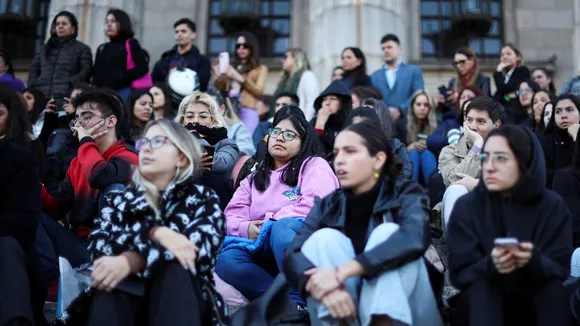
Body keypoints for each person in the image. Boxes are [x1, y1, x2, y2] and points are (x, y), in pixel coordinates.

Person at [283, 120, 442, 326]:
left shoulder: (406, 192)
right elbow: (292, 254)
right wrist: (325, 288)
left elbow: (414, 237)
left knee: (386, 234)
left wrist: (343, 272)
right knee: (324, 239)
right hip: (346, 308)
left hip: (409, 310)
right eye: (337, 152)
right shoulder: (329, 204)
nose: (339, 160)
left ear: (378, 159)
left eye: (350, 151)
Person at [87, 119, 227, 325]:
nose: (146, 149)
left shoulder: (203, 199)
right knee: (113, 277)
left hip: (182, 302)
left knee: (177, 271)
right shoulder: (121, 199)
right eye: (144, 143)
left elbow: (195, 254)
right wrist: (155, 233)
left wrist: (133, 260)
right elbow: (99, 246)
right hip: (125, 300)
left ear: (181, 157)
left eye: (158, 141)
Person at [448, 125, 574, 326]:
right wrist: (491, 265)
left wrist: (533, 260)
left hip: (535, 297)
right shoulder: (468, 206)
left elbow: (560, 268)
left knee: (550, 289)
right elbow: (460, 274)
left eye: (501, 158)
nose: (489, 166)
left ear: (524, 162)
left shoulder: (551, 205)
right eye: (485, 157)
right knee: (484, 287)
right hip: (483, 300)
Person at [216, 112, 339, 307]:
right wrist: (246, 228)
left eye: (290, 134)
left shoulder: (314, 165)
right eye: (276, 131)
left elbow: (315, 207)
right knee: (227, 259)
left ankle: (299, 296)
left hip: (302, 243)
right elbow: (230, 216)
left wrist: (269, 223)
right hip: (261, 246)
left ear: (303, 143)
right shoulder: (253, 177)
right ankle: (284, 304)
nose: (280, 137)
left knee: (282, 228)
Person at [37, 90, 139, 281]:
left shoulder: (129, 157)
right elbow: (54, 209)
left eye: (87, 116)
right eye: (76, 119)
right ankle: (50, 287)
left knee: (113, 189)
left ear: (110, 121)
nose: (79, 124)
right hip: (79, 245)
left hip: (112, 252)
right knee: (30, 214)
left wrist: (85, 140)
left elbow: (99, 175)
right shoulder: (78, 163)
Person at [438, 97, 503, 234]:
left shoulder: (507, 152)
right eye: (469, 120)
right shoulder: (449, 151)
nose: (473, 127)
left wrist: (479, 184)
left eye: (481, 121)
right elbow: (454, 182)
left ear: (496, 124)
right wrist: (477, 146)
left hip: (496, 218)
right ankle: (461, 249)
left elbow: (514, 187)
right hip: (461, 219)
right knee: (456, 190)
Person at [27, 10, 92, 100]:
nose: (60, 26)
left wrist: (70, 83)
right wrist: (33, 84)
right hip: (41, 97)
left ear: (73, 28)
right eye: (57, 24)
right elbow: (34, 69)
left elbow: (86, 70)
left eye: (64, 24)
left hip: (66, 98)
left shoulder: (82, 48)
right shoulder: (44, 48)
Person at [213, 31, 268, 135]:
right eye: (238, 46)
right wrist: (220, 75)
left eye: (245, 46)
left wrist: (239, 78)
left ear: (252, 47)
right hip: (230, 109)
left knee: (247, 144)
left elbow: (258, 91)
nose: (241, 49)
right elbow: (219, 87)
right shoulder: (231, 66)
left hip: (248, 110)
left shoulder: (260, 68)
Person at [152, 18, 211, 107]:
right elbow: (156, 81)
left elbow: (203, 85)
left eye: (183, 31)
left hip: (190, 105)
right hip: (166, 106)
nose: (179, 34)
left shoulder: (202, 60)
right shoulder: (165, 59)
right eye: (177, 32)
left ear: (193, 35)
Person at [92, 8, 149, 101]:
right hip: (101, 95)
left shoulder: (131, 43)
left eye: (113, 21)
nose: (109, 24)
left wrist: (121, 77)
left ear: (122, 23)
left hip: (122, 93)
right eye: (107, 22)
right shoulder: (102, 47)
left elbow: (143, 67)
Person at [347, 106, 412, 179]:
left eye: (365, 126)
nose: (361, 130)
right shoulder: (343, 149)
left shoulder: (391, 145)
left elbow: (406, 172)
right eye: (356, 126)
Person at [370, 34, 424, 121]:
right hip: (382, 122)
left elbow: (418, 93)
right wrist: (386, 110)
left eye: (389, 47)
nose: (386, 51)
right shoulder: (374, 76)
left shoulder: (413, 71)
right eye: (383, 48)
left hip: (409, 120)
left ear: (398, 48)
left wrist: (401, 109)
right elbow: (372, 98)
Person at [541, 93, 580, 187]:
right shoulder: (545, 141)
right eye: (558, 111)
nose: (563, 116)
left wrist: (576, 138)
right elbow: (542, 174)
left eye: (569, 110)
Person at [436, 47, 491, 114]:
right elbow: (448, 109)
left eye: (462, 62)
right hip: (456, 119)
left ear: (472, 62)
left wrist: (460, 97)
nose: (459, 66)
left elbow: (486, 103)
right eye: (456, 63)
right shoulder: (453, 82)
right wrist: (441, 103)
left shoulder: (483, 80)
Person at [274, 48, 319, 120]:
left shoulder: (307, 76)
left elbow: (311, 103)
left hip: (299, 123)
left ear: (296, 58)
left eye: (286, 57)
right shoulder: (285, 80)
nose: (282, 60)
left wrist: (304, 124)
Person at [312, 80, 352, 160]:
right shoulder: (314, 121)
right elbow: (311, 149)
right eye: (324, 99)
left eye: (333, 99)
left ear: (342, 103)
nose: (327, 103)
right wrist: (319, 125)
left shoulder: (350, 123)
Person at [208, 88, 255, 157]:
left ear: (222, 109)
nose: (208, 113)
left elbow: (247, 150)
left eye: (212, 108)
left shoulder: (238, 128)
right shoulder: (195, 127)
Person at [405, 91, 438, 185]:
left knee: (426, 154)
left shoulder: (437, 126)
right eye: (418, 104)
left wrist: (430, 145)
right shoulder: (401, 124)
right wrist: (409, 148)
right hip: (409, 164)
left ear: (430, 108)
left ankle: (433, 191)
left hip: (429, 162)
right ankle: (411, 192)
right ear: (412, 106)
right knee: (413, 153)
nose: (422, 108)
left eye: (426, 105)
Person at [492, 44, 530, 118]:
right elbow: (499, 96)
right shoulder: (504, 76)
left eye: (508, 54)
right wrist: (506, 96)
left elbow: (505, 89)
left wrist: (498, 71)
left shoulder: (522, 71)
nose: (505, 57)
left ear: (518, 57)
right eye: (502, 55)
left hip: (517, 114)